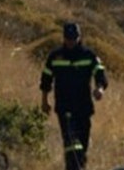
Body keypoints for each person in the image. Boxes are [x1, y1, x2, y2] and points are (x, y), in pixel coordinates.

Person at [41, 22, 108, 170]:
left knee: (82, 145)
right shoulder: (55, 56)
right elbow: (46, 80)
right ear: (63, 38)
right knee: (71, 143)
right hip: (64, 107)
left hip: (83, 107)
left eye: (73, 38)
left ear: (79, 37)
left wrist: (100, 89)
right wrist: (44, 101)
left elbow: (100, 74)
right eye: (68, 38)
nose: (70, 42)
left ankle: (78, 165)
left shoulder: (88, 55)